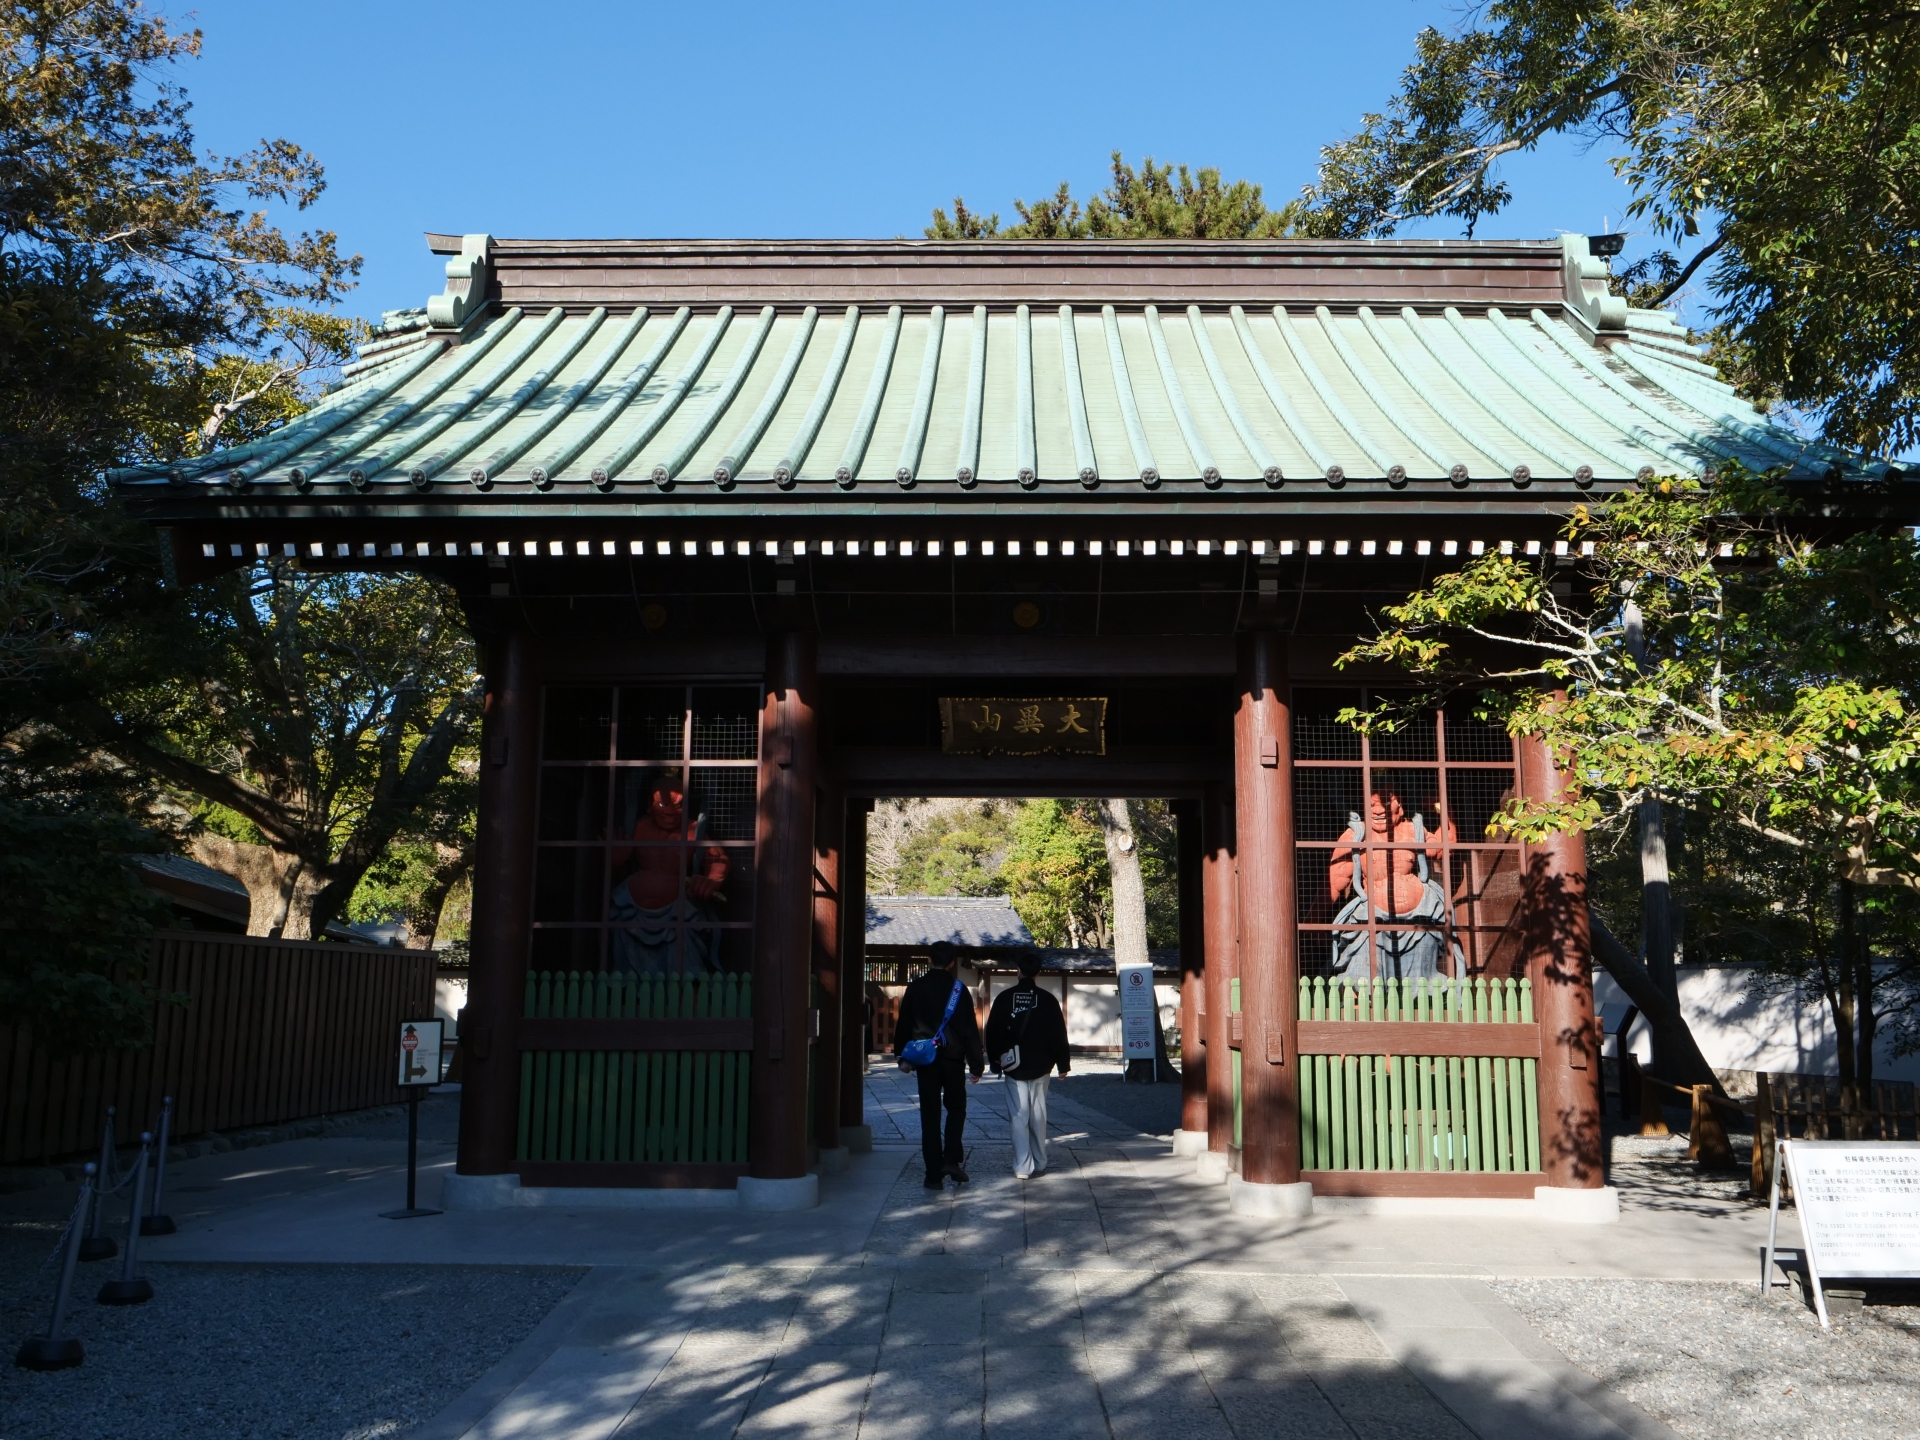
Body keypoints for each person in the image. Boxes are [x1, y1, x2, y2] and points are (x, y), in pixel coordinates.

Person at [1327, 786, 1461, 980]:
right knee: (1364, 971)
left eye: (1386, 803)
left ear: (1400, 805)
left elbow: (1443, 849)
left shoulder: (1412, 830)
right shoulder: (1355, 835)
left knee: (1422, 974)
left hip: (1419, 918)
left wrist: (1441, 808)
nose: (1378, 809)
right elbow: (1334, 882)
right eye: (1372, 804)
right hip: (1373, 920)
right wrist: (1314, 921)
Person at [608, 775, 729, 975]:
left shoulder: (693, 831)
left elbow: (717, 858)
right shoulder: (638, 828)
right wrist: (616, 861)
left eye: (679, 805)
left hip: (677, 913)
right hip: (631, 912)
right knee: (629, 969)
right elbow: (615, 872)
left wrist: (712, 878)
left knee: (684, 965)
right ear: (649, 805)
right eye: (664, 803)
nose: (671, 812)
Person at [894, 942, 983, 1189]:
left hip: (926, 1061)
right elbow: (969, 1030)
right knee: (957, 1109)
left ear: (928, 959)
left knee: (929, 1115)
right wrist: (976, 1065)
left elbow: (904, 1023)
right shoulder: (959, 989)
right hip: (953, 1059)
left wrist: (902, 1056)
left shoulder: (916, 987)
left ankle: (932, 1174)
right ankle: (951, 1159)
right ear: (952, 962)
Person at [984, 953, 1070, 1179]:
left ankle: (1023, 1166)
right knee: (1039, 1113)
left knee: (1018, 1115)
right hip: (1042, 1065)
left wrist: (995, 1058)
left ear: (1018, 970)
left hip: (1015, 1066)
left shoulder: (1004, 998)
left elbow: (992, 1031)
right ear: (1038, 973)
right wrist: (1063, 1063)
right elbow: (1059, 1034)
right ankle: (1040, 1161)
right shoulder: (1048, 999)